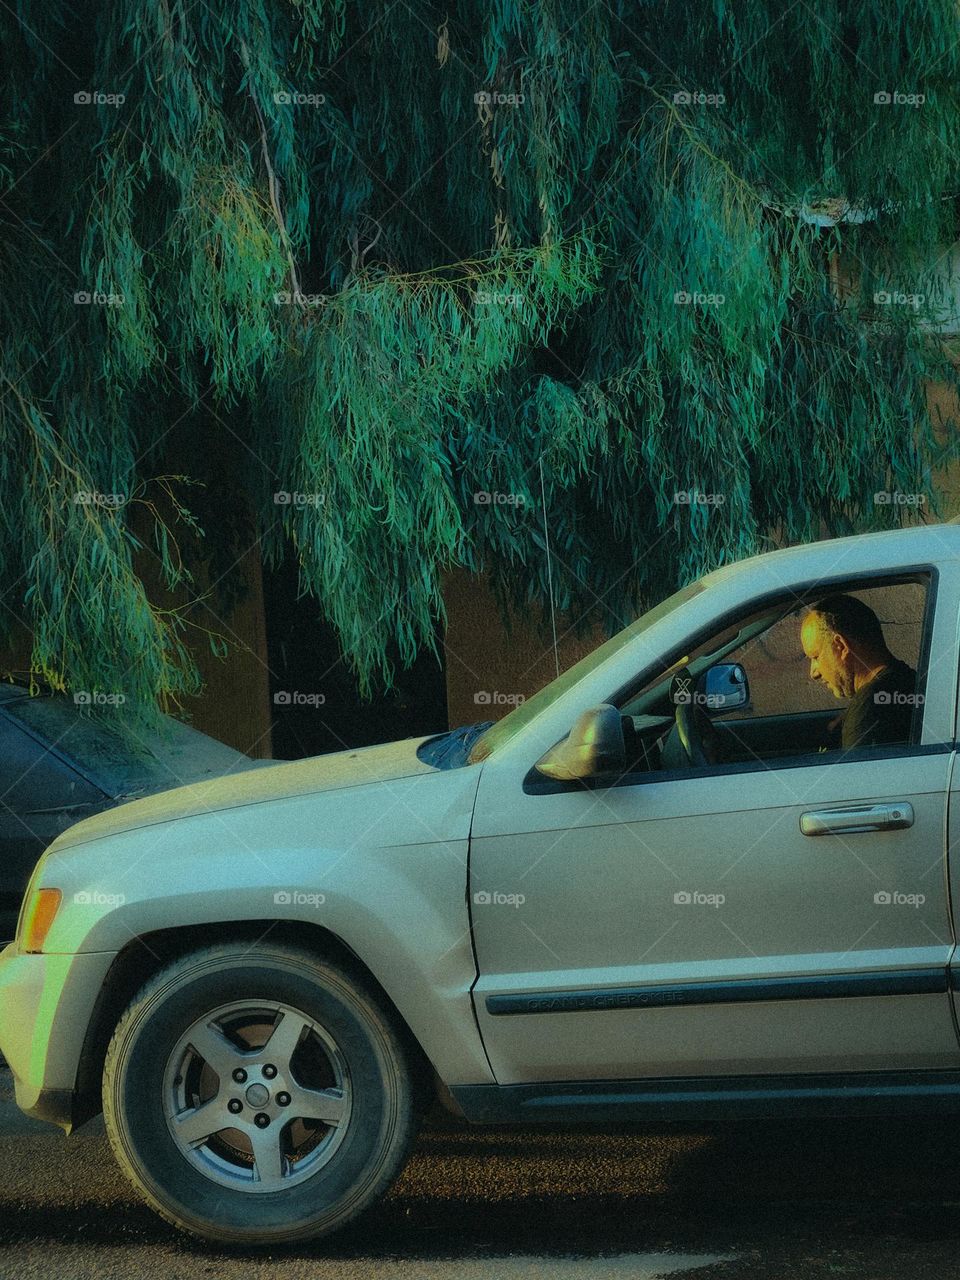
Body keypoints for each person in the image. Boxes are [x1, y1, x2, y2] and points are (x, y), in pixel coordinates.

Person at [799, 594, 918, 749]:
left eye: (815, 657)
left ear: (840, 646)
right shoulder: (906, 681)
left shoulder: (870, 709)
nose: (813, 673)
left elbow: (857, 774)